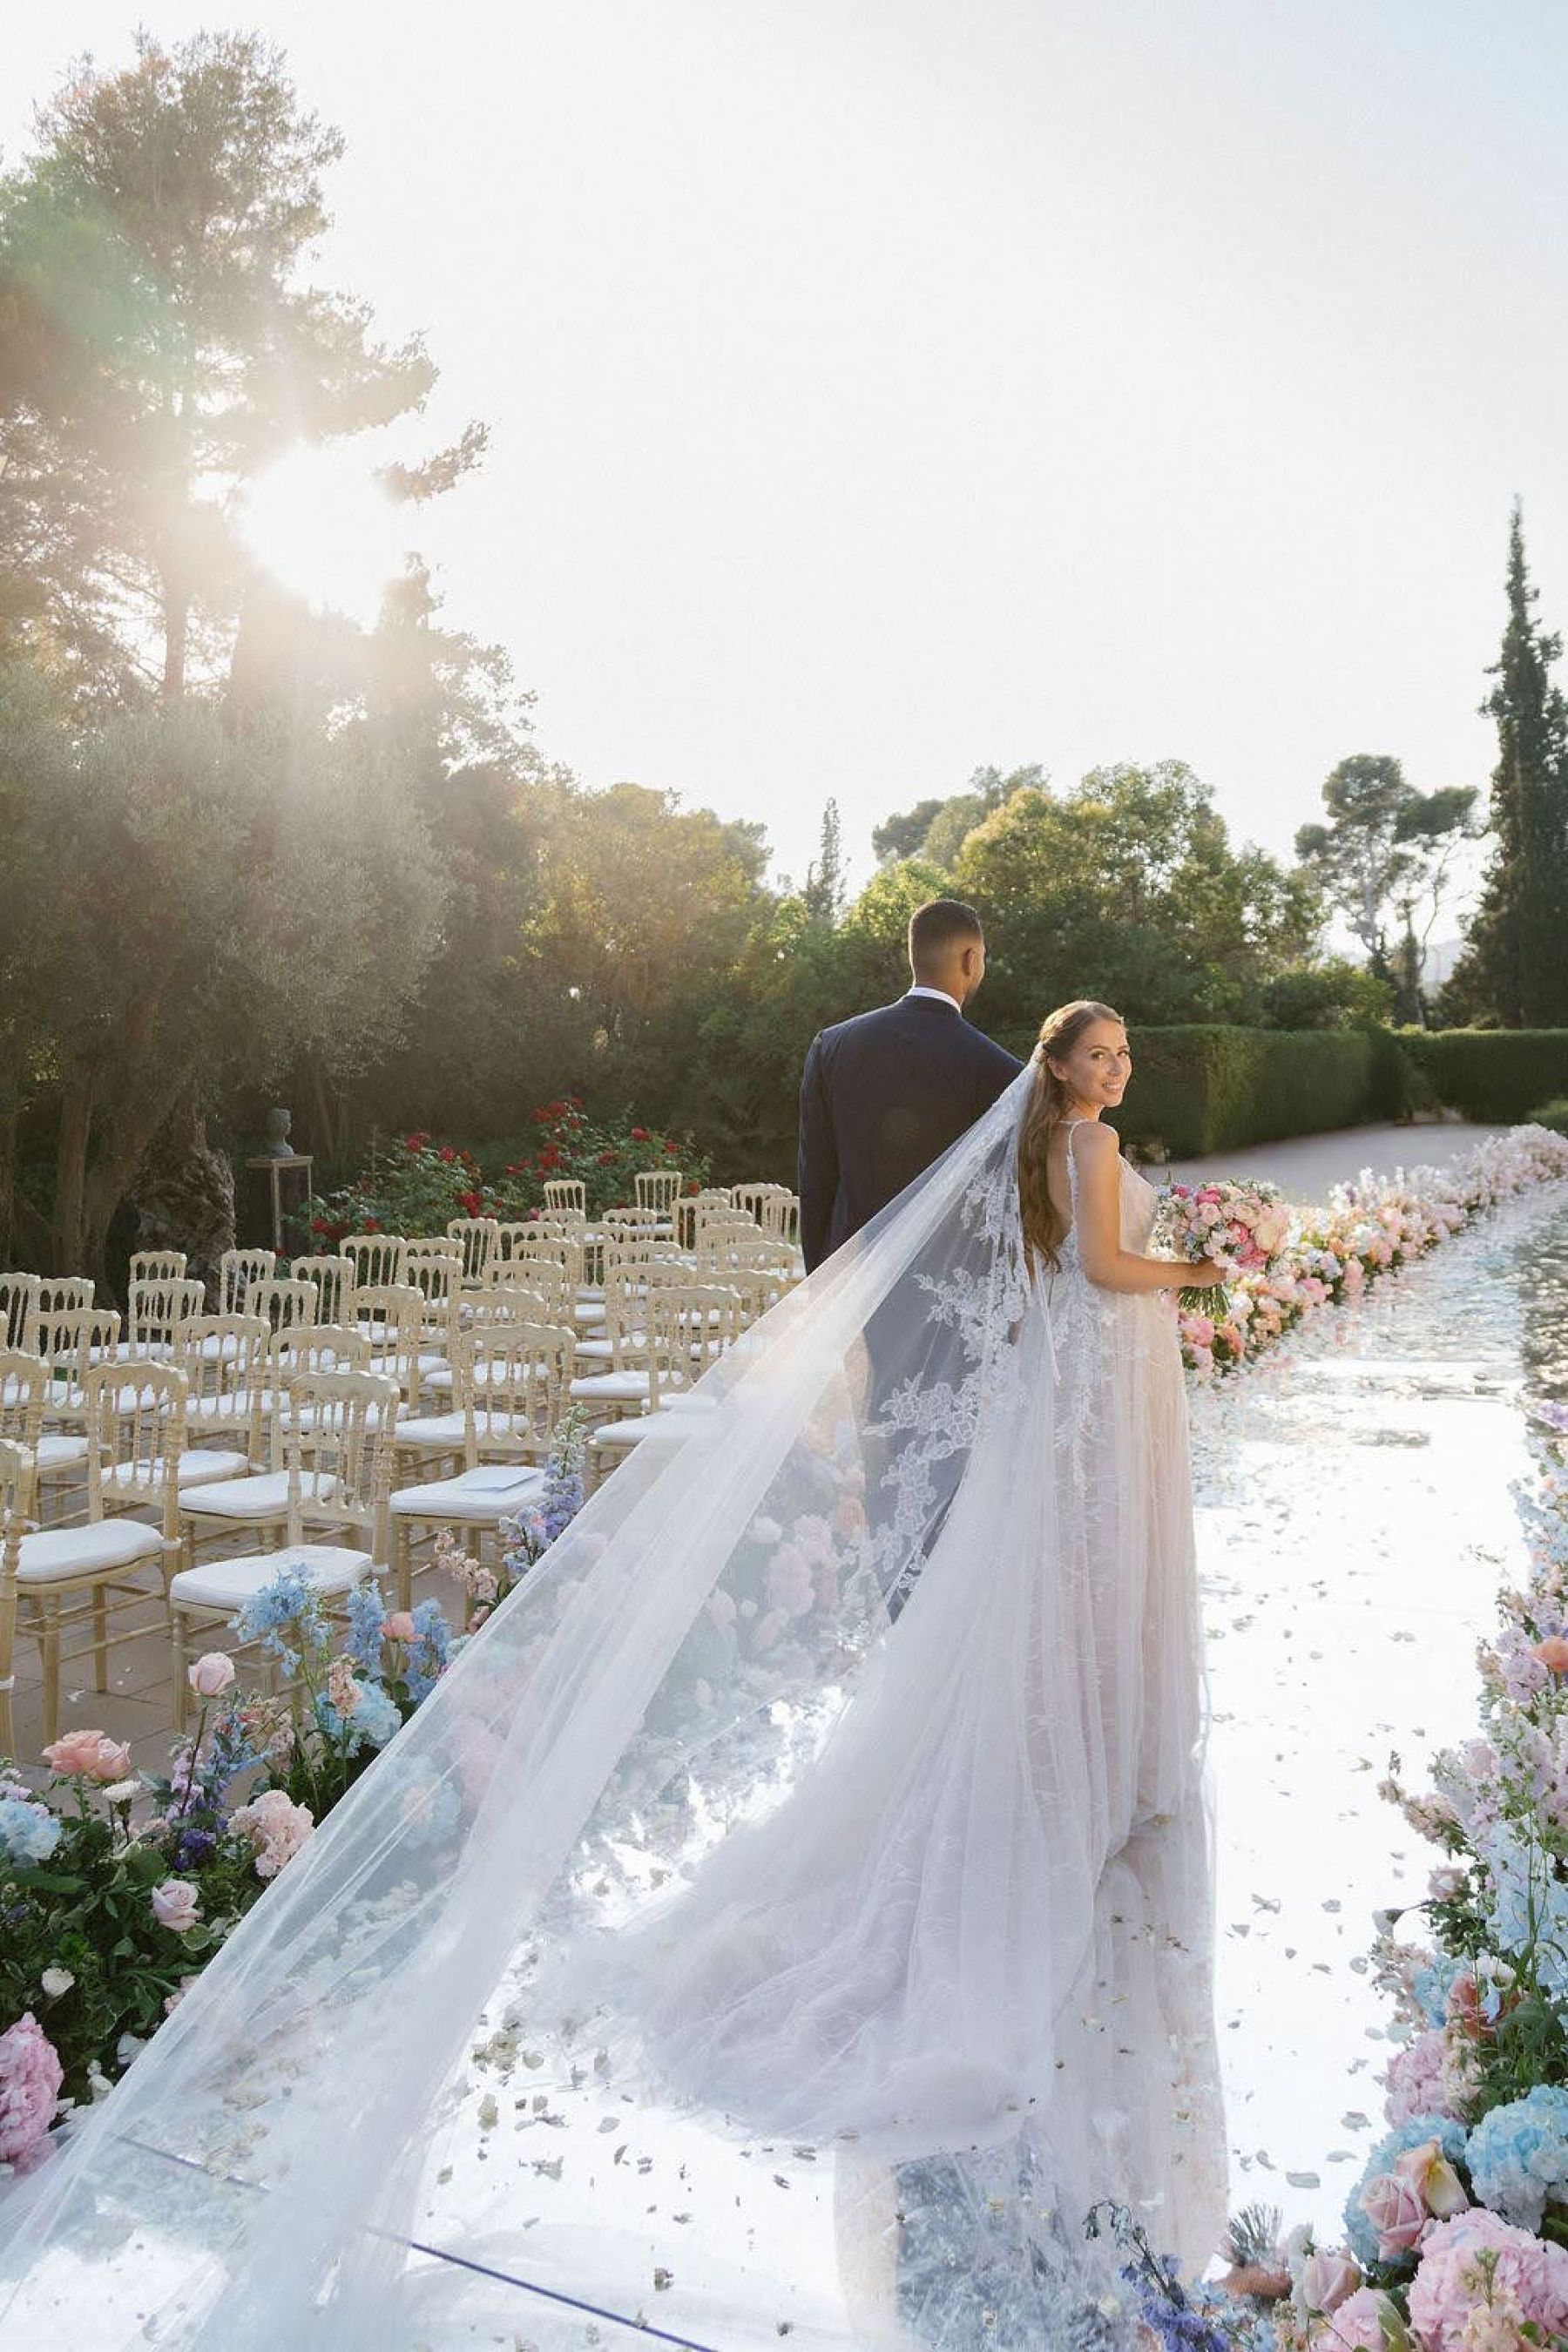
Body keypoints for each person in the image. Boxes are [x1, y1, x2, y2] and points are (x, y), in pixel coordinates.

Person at [0, 1003, 1227, 2352]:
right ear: (1050, 1059)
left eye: (1120, 1057)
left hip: (1078, 1397)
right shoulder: (1067, 1151)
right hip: (1094, 1381)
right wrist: (1205, 1266)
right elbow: (1107, 1267)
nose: (1112, 1072)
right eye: (1096, 1055)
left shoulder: (1030, 1143)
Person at [797, 896, 1023, 1273]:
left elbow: (816, 1176)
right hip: (949, 1280)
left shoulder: (832, 1046)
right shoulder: (1000, 1070)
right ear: (971, 959)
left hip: (853, 1281)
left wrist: (823, 1288)